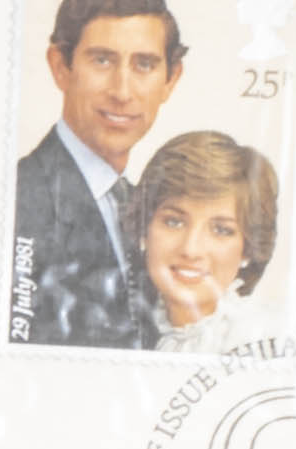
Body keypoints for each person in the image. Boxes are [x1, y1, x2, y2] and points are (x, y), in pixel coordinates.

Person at [9, 0, 184, 348]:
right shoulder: (16, 200)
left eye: (144, 65)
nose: (122, 92)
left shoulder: (151, 211)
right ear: (61, 66)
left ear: (170, 80)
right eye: (102, 60)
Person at [119, 129, 280, 354]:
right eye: (174, 222)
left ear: (248, 249)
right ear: (144, 229)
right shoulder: (121, 329)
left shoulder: (263, 341)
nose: (190, 249)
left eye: (221, 230)